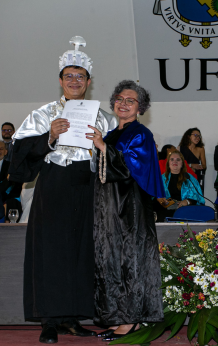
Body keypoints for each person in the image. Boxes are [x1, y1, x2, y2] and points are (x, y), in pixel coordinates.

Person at [8, 36, 118, 343]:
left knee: (83, 251)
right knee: (51, 251)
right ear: (60, 80)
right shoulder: (43, 115)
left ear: (88, 81)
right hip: (54, 184)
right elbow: (17, 158)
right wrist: (49, 138)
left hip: (88, 186)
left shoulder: (104, 118)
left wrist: (101, 145)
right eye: (68, 76)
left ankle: (73, 316)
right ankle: (49, 319)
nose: (74, 80)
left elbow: (119, 160)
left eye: (79, 77)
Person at [86, 80, 165, 341]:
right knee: (111, 260)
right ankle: (118, 316)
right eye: (119, 99)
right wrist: (99, 148)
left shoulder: (141, 134)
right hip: (109, 208)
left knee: (131, 260)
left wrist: (103, 149)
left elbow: (130, 169)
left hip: (130, 207)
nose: (123, 103)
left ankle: (132, 320)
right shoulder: (110, 134)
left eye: (130, 100)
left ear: (140, 107)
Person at [155, 150, 205, 222]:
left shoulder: (189, 178)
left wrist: (187, 201)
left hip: (185, 211)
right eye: (172, 159)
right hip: (165, 211)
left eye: (178, 160)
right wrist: (160, 199)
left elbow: (197, 197)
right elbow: (154, 196)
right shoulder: (161, 179)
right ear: (168, 163)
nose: (174, 162)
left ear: (182, 164)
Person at [178, 128, 206, 192]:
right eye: (195, 135)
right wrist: (191, 165)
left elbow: (204, 166)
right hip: (183, 175)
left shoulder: (200, 148)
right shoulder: (180, 148)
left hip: (195, 175)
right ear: (188, 136)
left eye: (199, 136)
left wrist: (200, 166)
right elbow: (178, 165)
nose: (198, 138)